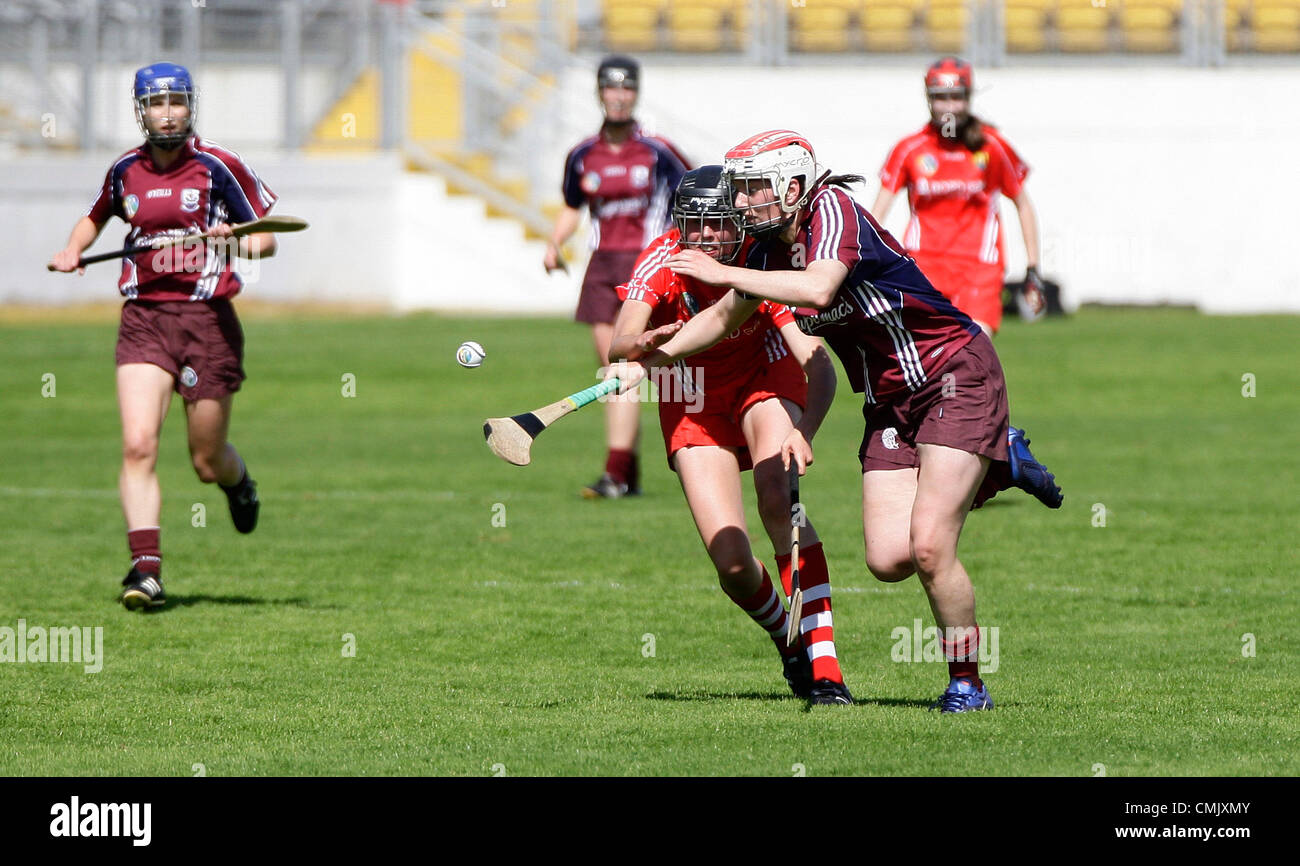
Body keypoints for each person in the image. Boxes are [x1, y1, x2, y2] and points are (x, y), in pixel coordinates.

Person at [620, 130, 1063, 712]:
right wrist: (652, 358)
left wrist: (726, 273)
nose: (744, 203)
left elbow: (819, 286)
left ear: (794, 186)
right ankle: (996, 464)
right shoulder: (762, 248)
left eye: (755, 190)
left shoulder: (834, 210)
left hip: (952, 372)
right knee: (888, 560)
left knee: (930, 548)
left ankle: (967, 685)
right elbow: (725, 318)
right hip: (887, 398)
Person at [607, 166, 850, 705]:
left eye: (718, 224)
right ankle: (789, 645)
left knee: (775, 499)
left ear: (740, 224)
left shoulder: (759, 262)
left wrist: (805, 430)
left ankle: (825, 665)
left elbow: (819, 365)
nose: (706, 237)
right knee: (734, 563)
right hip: (691, 397)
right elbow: (618, 344)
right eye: (695, 225)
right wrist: (645, 341)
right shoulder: (665, 258)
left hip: (765, 378)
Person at [48, 62, 278, 611]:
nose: (167, 112)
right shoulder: (125, 170)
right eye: (156, 103)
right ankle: (146, 571)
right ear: (140, 110)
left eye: (176, 101)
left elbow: (266, 241)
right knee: (137, 444)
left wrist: (232, 240)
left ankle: (237, 482)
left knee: (205, 459)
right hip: (144, 319)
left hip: (207, 321)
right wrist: (72, 249)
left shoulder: (219, 167)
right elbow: (93, 218)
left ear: (189, 107)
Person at [544, 55, 689, 499]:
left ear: (636, 93)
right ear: (600, 92)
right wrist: (554, 243)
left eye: (627, 88)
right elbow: (573, 206)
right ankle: (623, 473)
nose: (619, 97)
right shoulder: (582, 154)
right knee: (614, 370)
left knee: (626, 369)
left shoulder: (658, 151)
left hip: (645, 264)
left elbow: (694, 196)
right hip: (601, 265)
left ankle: (621, 471)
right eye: (611, 88)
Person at [871, 57, 1046, 337]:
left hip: (979, 268)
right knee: (929, 360)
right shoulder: (909, 149)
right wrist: (870, 261)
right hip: (924, 267)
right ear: (929, 99)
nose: (949, 106)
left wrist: (1033, 266)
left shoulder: (992, 145)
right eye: (941, 98)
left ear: (968, 98)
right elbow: (876, 216)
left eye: (956, 97)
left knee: (973, 352)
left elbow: (1023, 204)